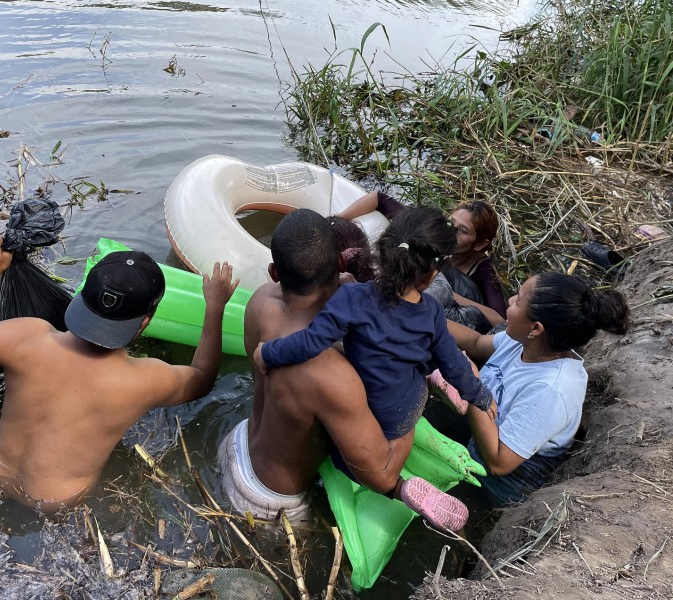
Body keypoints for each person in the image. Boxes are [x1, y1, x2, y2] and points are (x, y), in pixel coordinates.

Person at [0, 236, 239, 513]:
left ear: (81, 296)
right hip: (56, 503)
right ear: (144, 323)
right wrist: (215, 307)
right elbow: (202, 378)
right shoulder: (145, 380)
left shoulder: (26, 338)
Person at [219, 209, 467, 530]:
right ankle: (405, 493)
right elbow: (381, 475)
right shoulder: (332, 373)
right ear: (340, 265)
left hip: (236, 443)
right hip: (268, 502)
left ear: (274, 273)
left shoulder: (260, 300)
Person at [445, 272, 630, 506]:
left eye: (519, 300)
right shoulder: (525, 342)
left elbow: (498, 462)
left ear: (536, 328)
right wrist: (422, 314)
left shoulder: (551, 390)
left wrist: (471, 384)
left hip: (498, 484)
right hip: (480, 434)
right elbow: (475, 343)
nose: (510, 300)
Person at [338, 190, 508, 319]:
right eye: (450, 222)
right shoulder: (432, 235)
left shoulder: (484, 269)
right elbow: (378, 198)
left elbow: (498, 318)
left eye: (462, 231)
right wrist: (338, 219)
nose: (450, 231)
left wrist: (450, 295)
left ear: (480, 243)